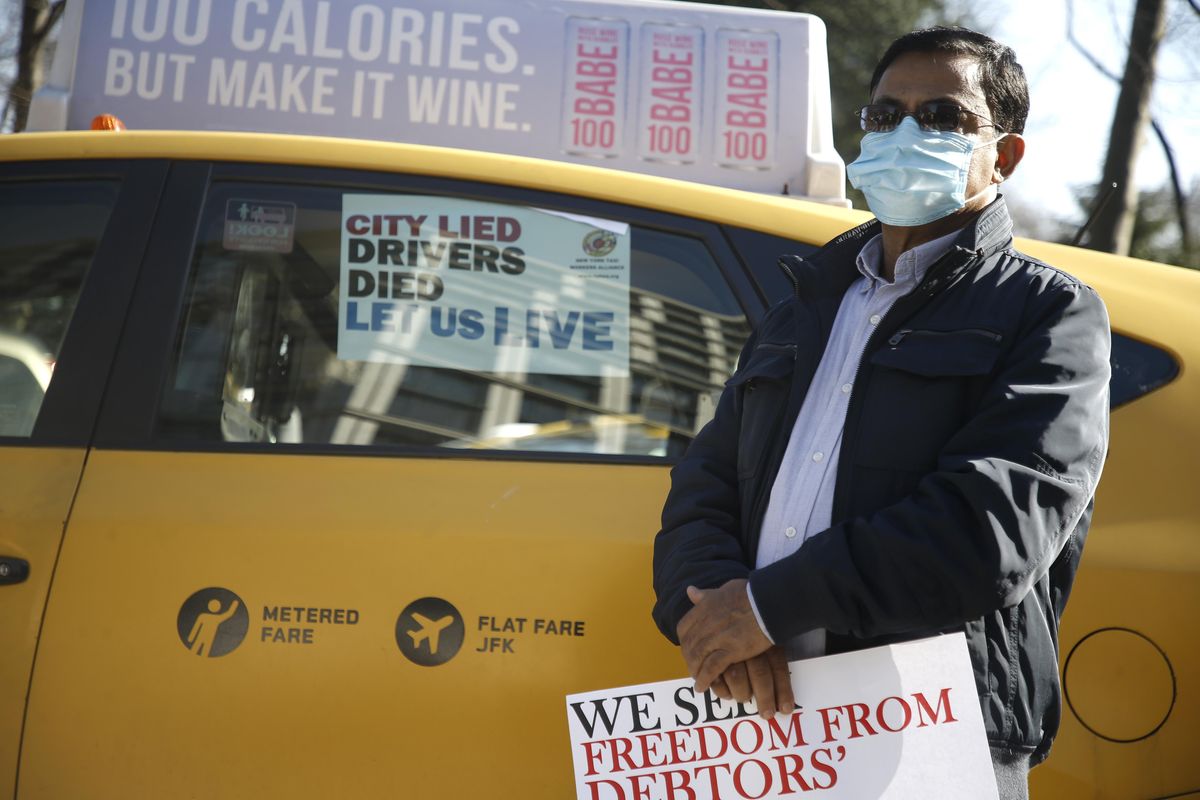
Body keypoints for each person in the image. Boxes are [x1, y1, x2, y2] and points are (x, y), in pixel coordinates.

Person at [651, 26, 1110, 799]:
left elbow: (989, 528)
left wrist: (766, 607)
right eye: (884, 114)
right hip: (761, 721)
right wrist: (717, 613)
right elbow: (705, 482)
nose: (905, 134)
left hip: (926, 731)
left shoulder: (1051, 314)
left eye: (941, 117)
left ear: (1005, 156)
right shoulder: (805, 304)